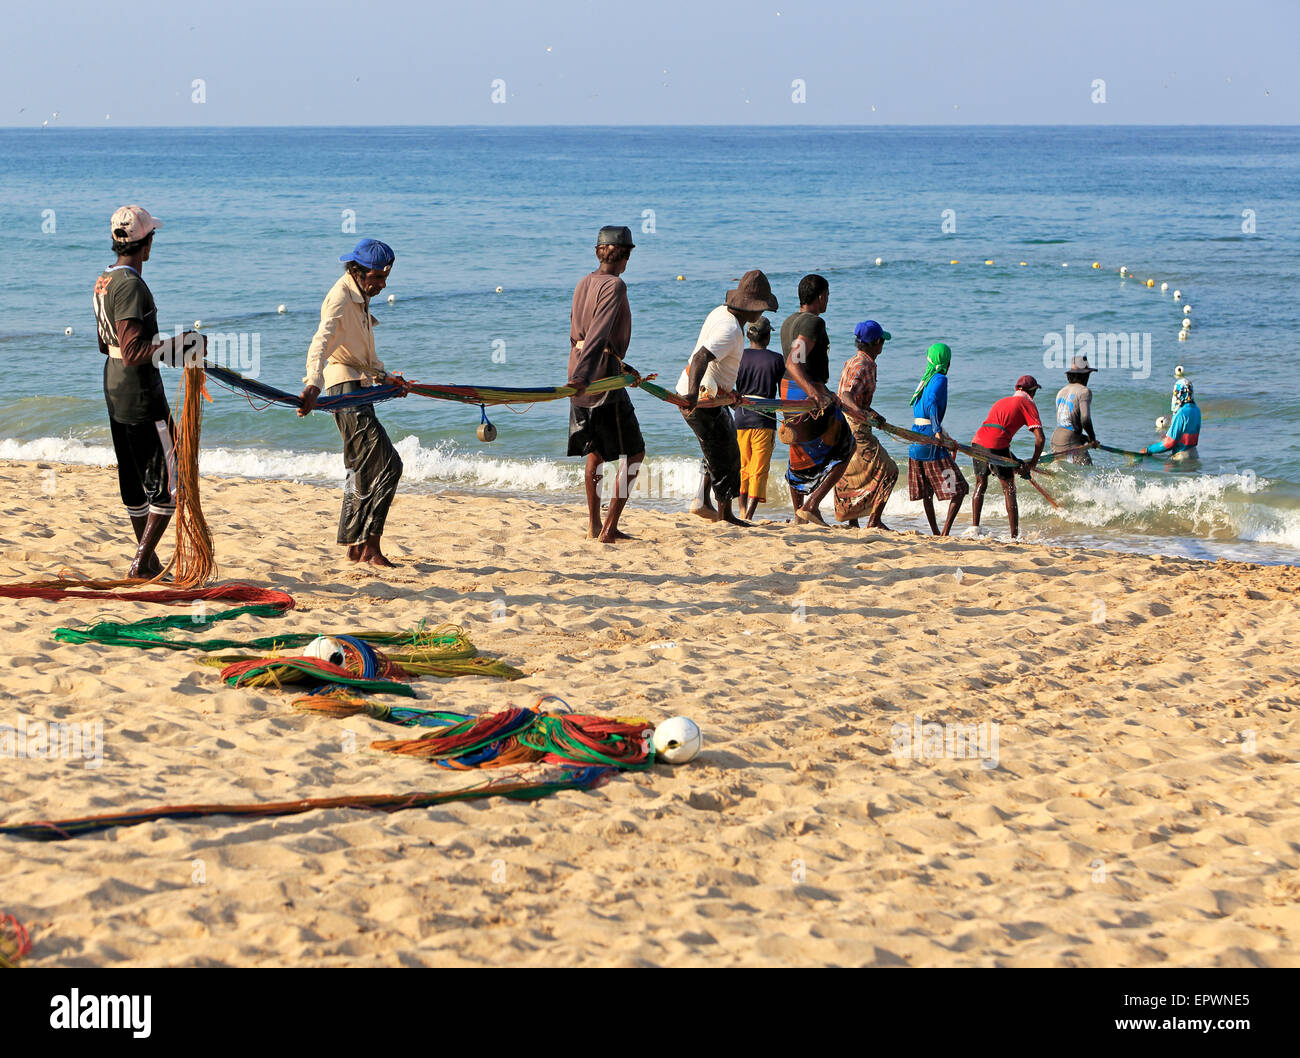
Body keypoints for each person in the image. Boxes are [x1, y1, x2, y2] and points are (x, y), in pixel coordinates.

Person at [92, 205, 206, 579]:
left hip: (113, 388)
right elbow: (133, 351)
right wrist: (183, 344)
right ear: (147, 244)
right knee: (173, 482)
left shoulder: (104, 280)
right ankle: (141, 563)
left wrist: (166, 348)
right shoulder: (132, 286)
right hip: (140, 394)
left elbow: (105, 345)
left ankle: (150, 560)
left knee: (134, 478)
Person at [299, 238, 405, 567]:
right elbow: (321, 340)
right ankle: (371, 547)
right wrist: (313, 383)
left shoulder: (360, 297)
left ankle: (355, 546)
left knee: (361, 467)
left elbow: (363, 351)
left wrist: (386, 378)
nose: (382, 284)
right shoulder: (340, 297)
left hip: (359, 385)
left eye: (385, 278)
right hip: (343, 389)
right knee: (389, 465)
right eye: (376, 278)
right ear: (357, 271)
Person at [676, 270, 778, 526]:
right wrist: (690, 397)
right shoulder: (731, 329)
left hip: (710, 394)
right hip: (700, 397)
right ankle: (725, 516)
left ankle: (704, 502)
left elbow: (714, 364)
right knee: (728, 456)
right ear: (751, 308)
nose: (762, 314)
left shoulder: (721, 314)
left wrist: (727, 393)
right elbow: (701, 357)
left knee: (719, 448)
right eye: (762, 308)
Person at [565, 225, 645, 543]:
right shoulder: (615, 286)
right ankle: (610, 528)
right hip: (601, 381)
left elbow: (579, 334)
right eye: (627, 254)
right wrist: (585, 376)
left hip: (584, 373)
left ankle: (594, 525)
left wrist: (578, 374)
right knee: (635, 454)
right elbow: (598, 333)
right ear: (622, 254)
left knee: (596, 453)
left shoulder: (585, 281)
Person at [779, 274, 854, 526]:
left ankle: (800, 512)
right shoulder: (813, 323)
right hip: (803, 394)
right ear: (821, 296)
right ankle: (811, 506)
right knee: (847, 445)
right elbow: (794, 361)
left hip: (788, 390)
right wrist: (813, 391)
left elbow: (800, 364)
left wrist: (823, 389)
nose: (828, 299)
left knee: (798, 451)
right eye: (828, 294)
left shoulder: (789, 321)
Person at [834, 320, 898, 529]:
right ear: (874, 342)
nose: (882, 346)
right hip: (855, 427)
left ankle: (853, 521)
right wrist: (860, 413)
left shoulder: (854, 361)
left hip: (844, 424)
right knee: (890, 470)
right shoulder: (863, 364)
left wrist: (872, 413)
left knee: (853, 473)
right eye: (881, 342)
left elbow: (853, 396)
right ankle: (874, 520)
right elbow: (845, 395)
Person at [969, 375, 1045, 539]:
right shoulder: (1027, 402)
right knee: (1009, 488)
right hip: (996, 444)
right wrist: (1032, 463)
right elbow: (1040, 438)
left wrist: (1016, 462)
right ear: (1032, 391)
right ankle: (1014, 536)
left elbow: (996, 433)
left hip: (977, 441)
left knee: (981, 483)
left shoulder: (1002, 401)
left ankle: (974, 528)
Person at [907, 342, 969, 536]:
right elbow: (933, 401)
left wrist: (943, 432)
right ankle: (944, 533)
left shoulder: (925, 380)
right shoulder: (940, 378)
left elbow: (922, 411)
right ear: (946, 362)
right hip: (930, 443)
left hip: (916, 440)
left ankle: (935, 531)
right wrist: (937, 431)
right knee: (960, 489)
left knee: (927, 493)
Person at [734, 317, 785, 519]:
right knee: (759, 470)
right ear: (767, 336)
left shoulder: (739, 356)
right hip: (764, 421)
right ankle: (748, 516)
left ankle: (741, 510)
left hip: (740, 418)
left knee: (743, 467)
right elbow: (784, 391)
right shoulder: (776, 359)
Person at [1052, 355, 1100, 464]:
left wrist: (1082, 437)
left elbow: (1065, 421)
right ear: (1085, 375)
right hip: (1069, 441)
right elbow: (1085, 419)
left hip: (1056, 440)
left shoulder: (1061, 391)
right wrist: (1092, 439)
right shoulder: (1084, 391)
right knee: (1088, 473)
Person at [1147, 375, 1201, 461]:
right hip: (1194, 454)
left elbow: (1170, 442)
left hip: (1181, 457)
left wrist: (1148, 450)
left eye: (1175, 392)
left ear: (1180, 394)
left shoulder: (1181, 413)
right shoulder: (1196, 410)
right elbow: (1185, 436)